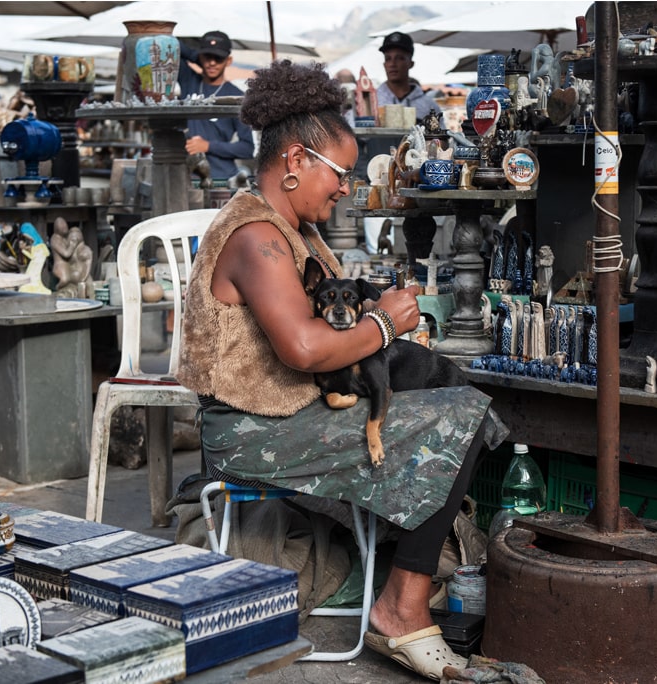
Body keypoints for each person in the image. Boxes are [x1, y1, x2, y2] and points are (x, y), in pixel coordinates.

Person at [177, 60, 505, 681]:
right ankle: (400, 610)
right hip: (251, 432)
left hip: (288, 414)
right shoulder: (256, 235)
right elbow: (303, 349)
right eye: (341, 174)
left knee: (458, 399)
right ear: (296, 159)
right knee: (459, 417)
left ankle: (404, 581)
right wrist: (382, 324)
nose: (346, 189)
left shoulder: (289, 229)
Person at [178, 30, 254, 180]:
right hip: (184, 177)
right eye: (207, 57)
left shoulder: (237, 97)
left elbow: (248, 148)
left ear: (228, 61)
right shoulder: (189, 81)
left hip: (220, 179)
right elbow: (170, 44)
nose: (212, 63)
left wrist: (208, 146)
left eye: (218, 58)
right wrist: (195, 56)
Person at [376, 31, 442, 123]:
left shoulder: (429, 106)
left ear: (411, 63)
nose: (392, 64)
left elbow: (440, 135)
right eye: (388, 59)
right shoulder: (372, 102)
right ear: (384, 64)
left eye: (400, 58)